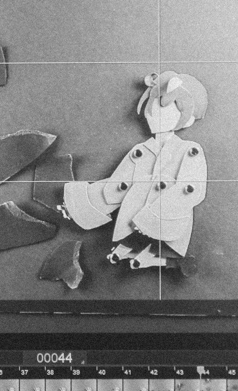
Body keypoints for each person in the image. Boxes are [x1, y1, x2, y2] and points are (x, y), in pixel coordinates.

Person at [61, 71, 208, 269]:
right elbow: (117, 186)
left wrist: (153, 218)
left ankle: (163, 260)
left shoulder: (189, 150)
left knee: (159, 245)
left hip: (165, 223)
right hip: (132, 222)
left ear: (188, 119)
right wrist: (83, 204)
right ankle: (141, 255)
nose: (153, 112)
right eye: (151, 105)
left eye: (163, 107)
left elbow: (190, 190)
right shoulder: (142, 150)